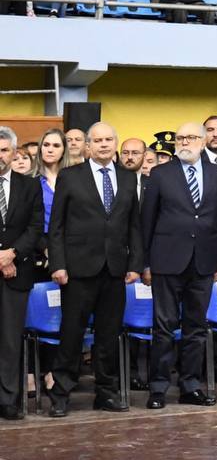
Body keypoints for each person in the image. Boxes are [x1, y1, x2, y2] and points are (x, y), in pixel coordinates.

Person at [47, 122, 143, 416]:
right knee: (71, 334)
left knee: (108, 336)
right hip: (77, 270)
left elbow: (134, 225)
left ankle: (106, 393)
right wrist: (58, 264)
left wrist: (135, 264)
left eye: (108, 140)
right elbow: (57, 226)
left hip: (115, 270)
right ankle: (61, 393)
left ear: (115, 143)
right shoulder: (70, 176)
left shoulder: (127, 177)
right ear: (88, 145)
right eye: (98, 140)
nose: (103, 144)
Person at [140, 121, 217, 409]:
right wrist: (145, 262)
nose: (184, 142)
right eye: (180, 138)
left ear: (203, 142)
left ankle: (190, 385)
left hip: (204, 261)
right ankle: (158, 387)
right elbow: (147, 220)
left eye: (191, 137)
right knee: (164, 327)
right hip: (166, 260)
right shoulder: (160, 173)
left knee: (196, 327)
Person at [0, 126, 42, 420]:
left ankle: (7, 399)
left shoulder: (29, 186)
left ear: (14, 153)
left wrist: (11, 254)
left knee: (10, 340)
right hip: (6, 265)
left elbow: (36, 226)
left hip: (17, 273)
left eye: (4, 150)